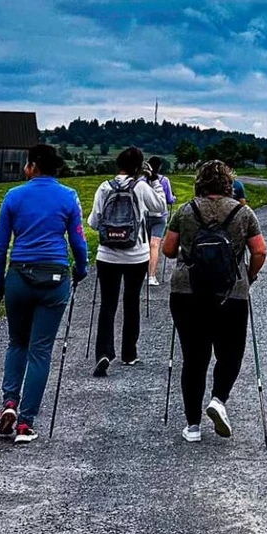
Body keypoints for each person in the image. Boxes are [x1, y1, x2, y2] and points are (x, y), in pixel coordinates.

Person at [162, 160, 267, 443]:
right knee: (230, 353)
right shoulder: (243, 212)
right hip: (231, 293)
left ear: (200, 183)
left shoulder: (186, 210)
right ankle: (219, 399)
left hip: (187, 292)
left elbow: (169, 249)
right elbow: (259, 251)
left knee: (194, 359)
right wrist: (249, 276)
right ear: (228, 185)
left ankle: (193, 426)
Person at [0, 144, 88, 444]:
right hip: (54, 277)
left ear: (33, 166)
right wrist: (81, 269)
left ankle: (9, 402)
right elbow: (79, 242)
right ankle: (25, 422)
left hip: (19, 275)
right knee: (41, 350)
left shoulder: (14, 196)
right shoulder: (69, 197)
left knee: (17, 342)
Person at [86, 147, 167, 376]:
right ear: (139, 167)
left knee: (107, 304)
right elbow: (160, 207)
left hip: (107, 255)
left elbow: (93, 222)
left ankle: (103, 352)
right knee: (131, 302)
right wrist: (153, 180)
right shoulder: (141, 186)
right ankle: (129, 353)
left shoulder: (104, 187)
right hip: (137, 255)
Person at [146, 155, 177, 286]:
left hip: (146, 215)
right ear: (160, 167)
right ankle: (152, 276)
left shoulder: (142, 180)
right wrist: (174, 198)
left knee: (145, 245)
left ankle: (142, 272)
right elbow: (169, 199)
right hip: (160, 216)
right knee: (155, 245)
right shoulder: (164, 180)